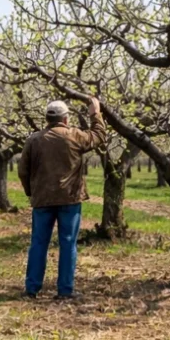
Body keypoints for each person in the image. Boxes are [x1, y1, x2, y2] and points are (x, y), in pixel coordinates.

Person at [17, 96, 108, 299]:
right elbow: (98, 136)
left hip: (42, 201)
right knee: (68, 243)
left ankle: (32, 289)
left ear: (47, 119)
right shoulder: (74, 136)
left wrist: (31, 192)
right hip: (70, 199)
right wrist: (95, 113)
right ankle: (65, 290)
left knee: (39, 243)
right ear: (65, 119)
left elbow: (23, 171)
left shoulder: (34, 140)